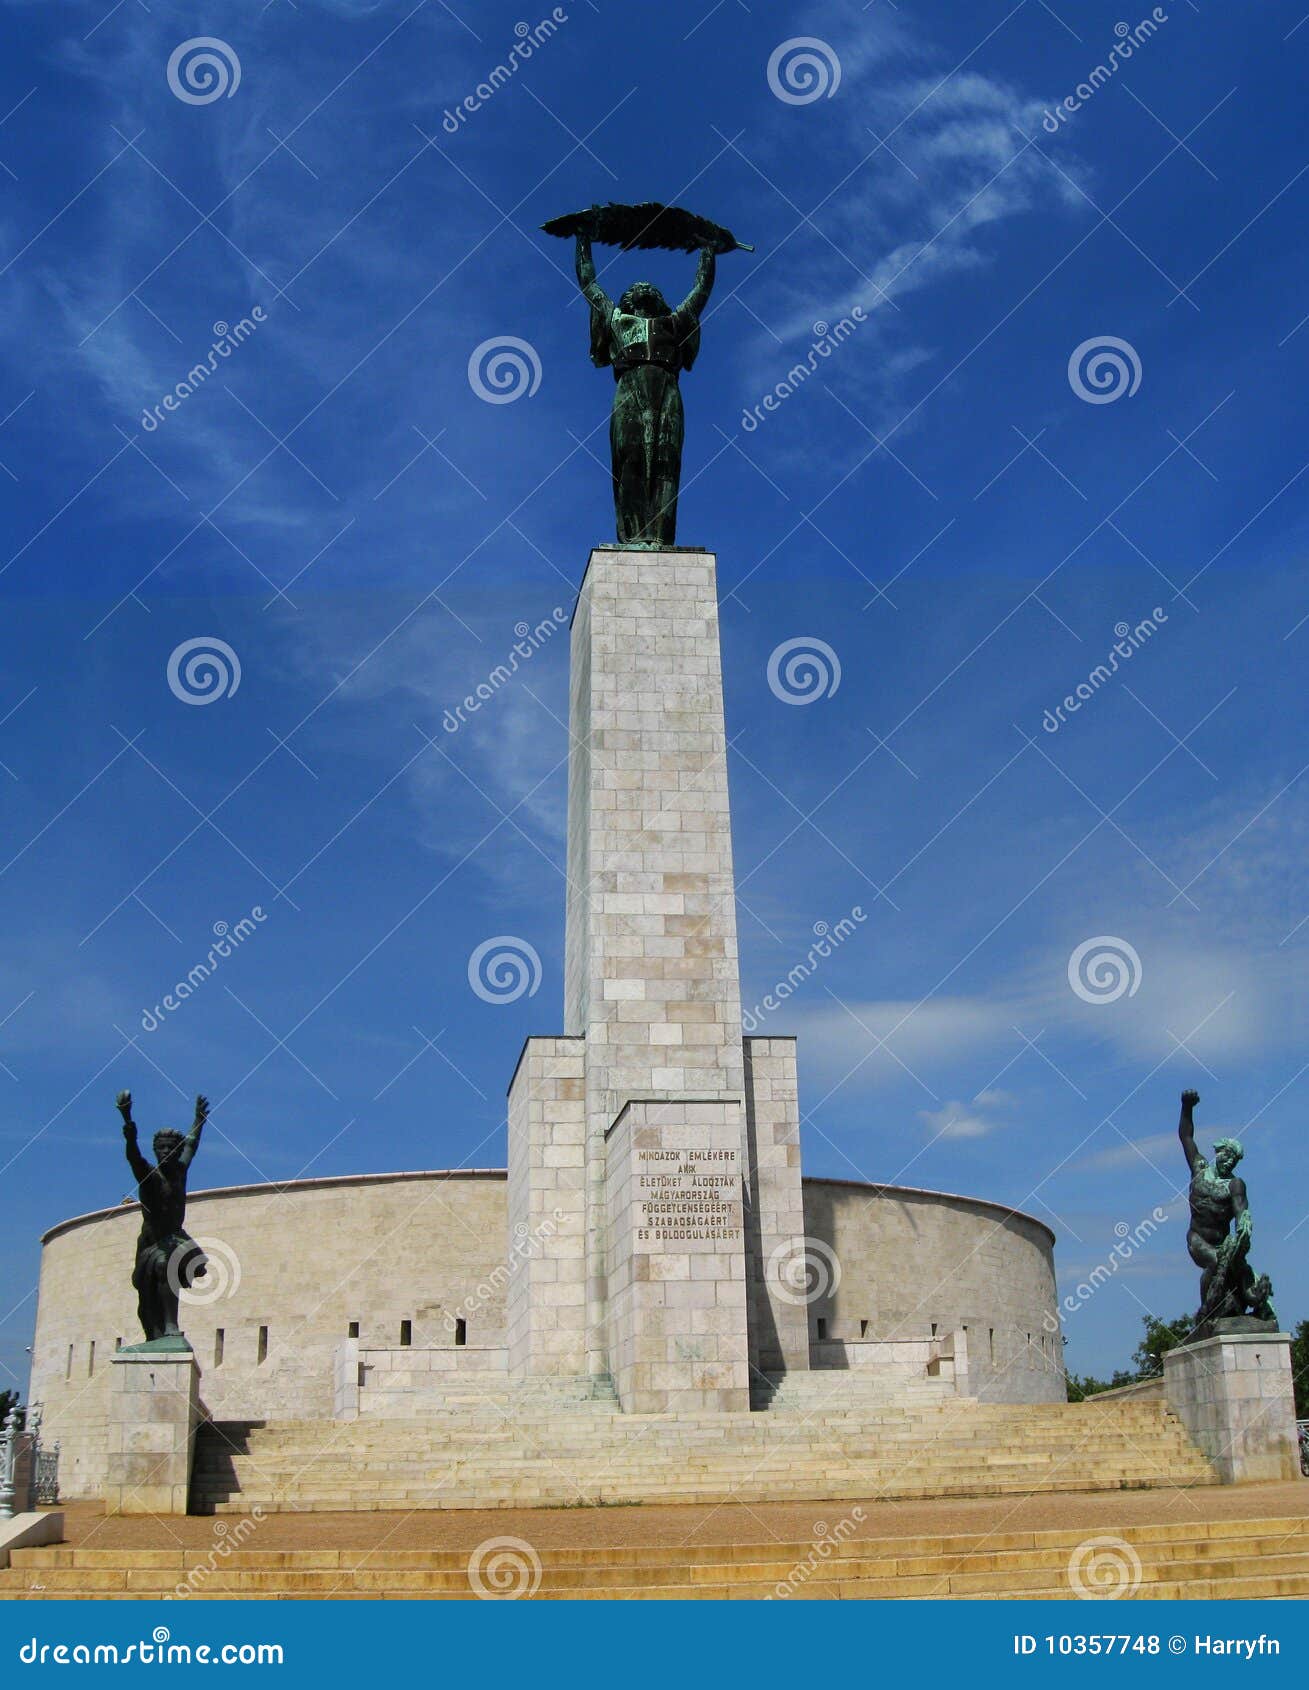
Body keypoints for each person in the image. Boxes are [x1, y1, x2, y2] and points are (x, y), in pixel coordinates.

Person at [574, 233, 716, 547]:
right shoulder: (616, 319)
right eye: (636, 287)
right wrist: (582, 237)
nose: (644, 287)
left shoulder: (675, 322)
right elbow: (589, 285)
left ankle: (661, 538)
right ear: (628, 299)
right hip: (630, 387)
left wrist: (708, 248)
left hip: (666, 388)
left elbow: (701, 290)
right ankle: (634, 536)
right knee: (631, 459)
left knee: (666, 463)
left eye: (650, 287)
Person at [117, 1089, 208, 1343]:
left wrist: (199, 1121)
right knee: (150, 1294)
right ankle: (162, 1328)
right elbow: (133, 1157)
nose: (166, 1152)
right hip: (152, 1242)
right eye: (161, 1148)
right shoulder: (149, 1175)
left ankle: (171, 1325)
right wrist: (128, 1121)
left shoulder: (180, 1170)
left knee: (170, 1266)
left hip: (176, 1237)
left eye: (171, 1148)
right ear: (155, 1151)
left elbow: (192, 1143)